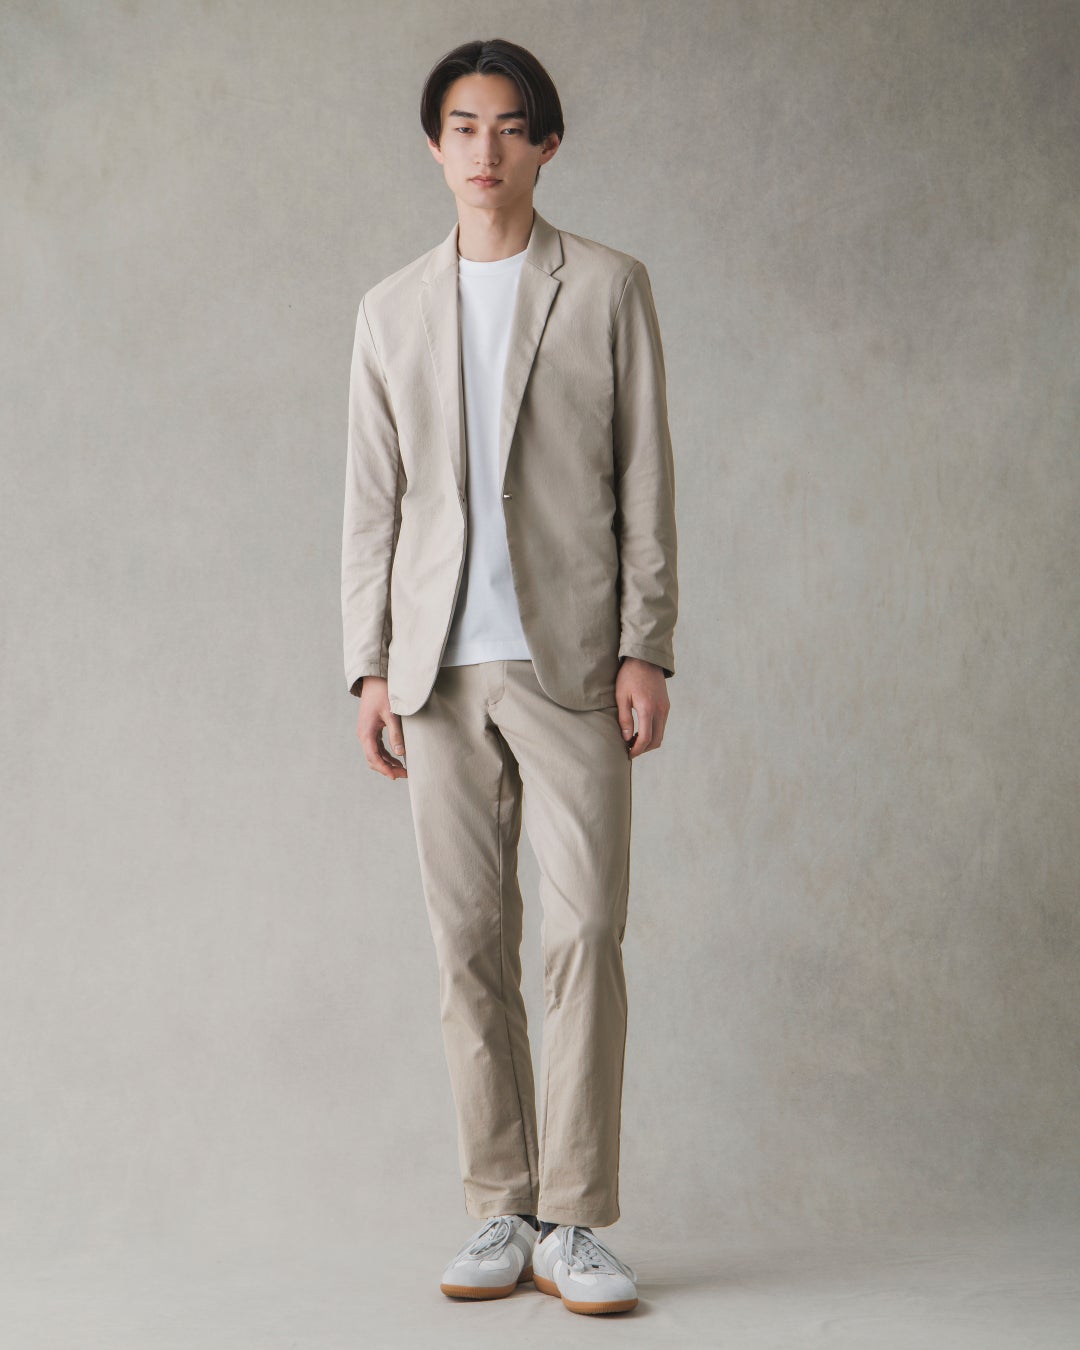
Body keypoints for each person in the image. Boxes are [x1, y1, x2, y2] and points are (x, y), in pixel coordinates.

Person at [341, 37, 677, 1317]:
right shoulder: (389, 310)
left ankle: (575, 1221)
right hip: (434, 672)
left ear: (547, 144)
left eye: (510, 126)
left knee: (584, 932)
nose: (486, 149)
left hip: (574, 663)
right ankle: (502, 1203)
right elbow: (373, 507)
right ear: (436, 146)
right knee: (468, 947)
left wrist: (647, 644)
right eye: (464, 126)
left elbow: (645, 477)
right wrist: (368, 670)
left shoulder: (607, 286)